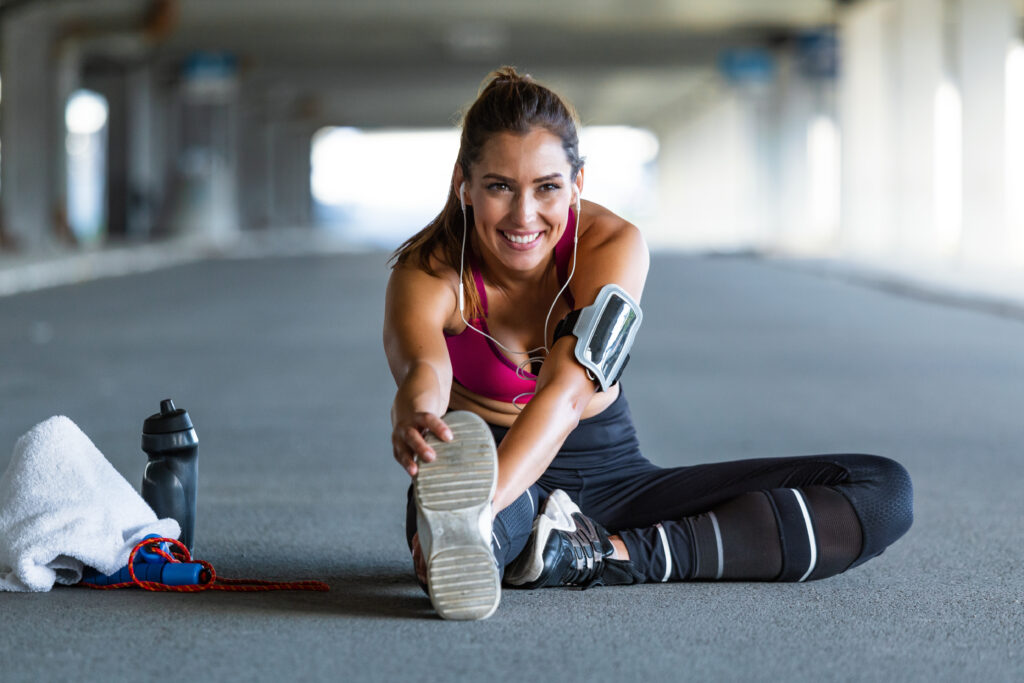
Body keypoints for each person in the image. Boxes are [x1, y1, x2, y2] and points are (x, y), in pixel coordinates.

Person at [383, 67, 913, 621]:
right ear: (462, 184)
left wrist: (474, 514)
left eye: (547, 188)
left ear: (578, 184)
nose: (524, 215)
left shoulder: (613, 244)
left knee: (883, 491)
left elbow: (568, 393)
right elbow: (425, 369)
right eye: (499, 187)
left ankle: (603, 555)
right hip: (492, 469)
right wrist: (422, 425)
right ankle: (500, 543)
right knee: (477, 544)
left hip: (613, 475)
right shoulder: (427, 275)